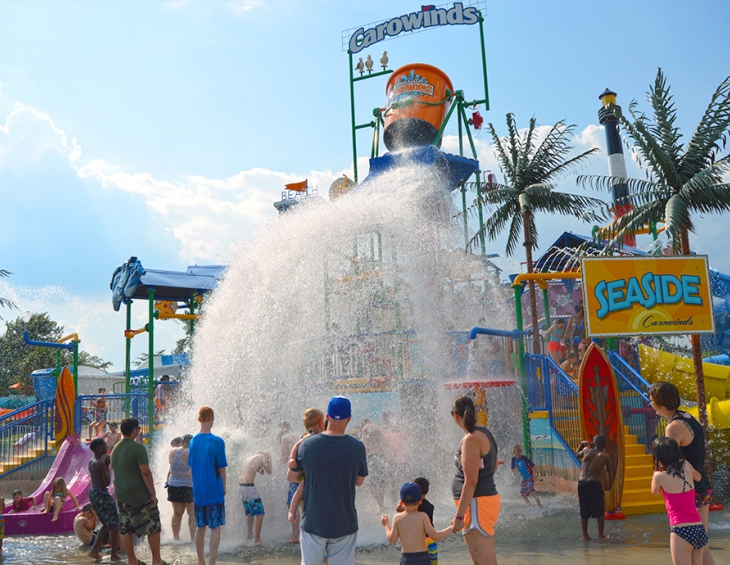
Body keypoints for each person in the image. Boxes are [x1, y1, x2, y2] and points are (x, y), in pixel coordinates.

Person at [287, 396, 368, 565]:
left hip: (313, 521)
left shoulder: (307, 445)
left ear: (327, 417)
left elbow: (292, 477)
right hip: (344, 522)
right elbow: (359, 482)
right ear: (350, 418)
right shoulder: (357, 447)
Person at [649, 381, 715, 565]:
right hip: (701, 484)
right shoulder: (686, 416)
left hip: (692, 490)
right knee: (703, 546)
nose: (650, 403)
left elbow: (668, 460)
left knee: (699, 548)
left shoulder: (673, 428)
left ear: (662, 405)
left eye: (652, 400)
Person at [450, 395, 501, 565]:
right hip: (482, 502)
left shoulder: (471, 439)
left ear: (455, 415)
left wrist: (459, 516)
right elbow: (493, 466)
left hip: (476, 504)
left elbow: (471, 481)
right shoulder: (486, 432)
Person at [110, 417, 165, 565]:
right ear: (134, 430)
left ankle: (132, 560)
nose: (139, 431)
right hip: (139, 495)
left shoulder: (115, 448)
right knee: (153, 526)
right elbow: (145, 472)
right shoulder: (138, 448)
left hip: (121, 495)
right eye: (138, 429)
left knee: (125, 528)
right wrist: (153, 494)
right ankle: (156, 560)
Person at [651, 437, 709, 565]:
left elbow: (654, 492)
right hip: (698, 528)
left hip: (680, 529)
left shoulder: (659, 476)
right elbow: (698, 477)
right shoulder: (686, 465)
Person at [188, 406, 228, 565]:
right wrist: (224, 486)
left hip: (199, 490)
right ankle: (212, 562)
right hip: (213, 489)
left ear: (199, 419)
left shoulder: (193, 441)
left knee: (201, 526)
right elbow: (221, 468)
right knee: (215, 526)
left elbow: (191, 466)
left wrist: (195, 487)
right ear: (212, 418)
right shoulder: (217, 441)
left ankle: (200, 561)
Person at [381, 482, 452, 565]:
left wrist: (386, 525)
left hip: (406, 559)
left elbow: (392, 540)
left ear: (402, 502)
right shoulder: (423, 517)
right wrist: (452, 527)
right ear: (420, 501)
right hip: (422, 559)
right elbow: (435, 536)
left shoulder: (397, 518)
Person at [286, 408, 326, 537]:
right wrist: (292, 458)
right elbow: (296, 446)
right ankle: (292, 510)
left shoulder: (319, 436)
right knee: (301, 489)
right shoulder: (310, 435)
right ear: (320, 423)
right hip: (305, 472)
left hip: (310, 471)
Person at [88, 438, 121, 561]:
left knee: (106, 523)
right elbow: (107, 482)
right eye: (104, 446)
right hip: (102, 493)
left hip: (93, 493)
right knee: (115, 522)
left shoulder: (91, 461)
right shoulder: (100, 463)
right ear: (99, 449)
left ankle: (94, 550)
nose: (106, 447)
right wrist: (107, 466)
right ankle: (114, 554)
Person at [576, 435, 611, 540]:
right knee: (600, 509)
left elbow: (577, 455)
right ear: (604, 445)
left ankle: (585, 535)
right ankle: (601, 535)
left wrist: (581, 445)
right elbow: (609, 470)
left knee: (584, 508)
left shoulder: (586, 450)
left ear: (593, 443)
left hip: (581, 483)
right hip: (593, 483)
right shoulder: (605, 456)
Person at [167, 433, 196, 541]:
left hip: (173, 485)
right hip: (187, 485)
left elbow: (171, 468)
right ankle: (193, 538)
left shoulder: (172, 451)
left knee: (177, 513)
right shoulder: (189, 452)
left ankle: (176, 538)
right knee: (192, 514)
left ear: (181, 441)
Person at [239, 451, 272, 545]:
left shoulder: (250, 458)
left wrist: (261, 466)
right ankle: (257, 540)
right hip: (249, 487)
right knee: (260, 513)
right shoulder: (262, 457)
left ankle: (249, 536)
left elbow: (261, 472)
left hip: (242, 487)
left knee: (250, 513)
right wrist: (269, 461)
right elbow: (269, 471)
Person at [414, 477, 439, 565]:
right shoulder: (430, 506)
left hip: (418, 540)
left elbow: (398, 509)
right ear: (427, 491)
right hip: (430, 539)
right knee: (433, 563)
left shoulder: (414, 507)